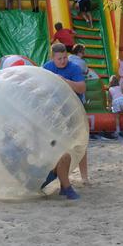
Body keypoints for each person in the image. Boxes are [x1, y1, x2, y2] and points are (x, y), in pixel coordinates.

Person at [41, 43, 89, 199]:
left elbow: (82, 88)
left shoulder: (74, 68)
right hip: (54, 111)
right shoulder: (47, 68)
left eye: (64, 58)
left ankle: (84, 177)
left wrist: (64, 80)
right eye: (59, 59)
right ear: (52, 58)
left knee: (79, 143)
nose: (62, 61)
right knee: (55, 144)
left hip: (74, 110)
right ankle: (60, 180)